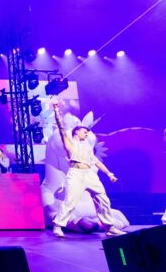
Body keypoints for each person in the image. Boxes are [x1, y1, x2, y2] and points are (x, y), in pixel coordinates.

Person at [50, 101, 124, 238]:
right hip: (76, 174)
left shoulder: (88, 148)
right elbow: (61, 127)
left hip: (90, 174)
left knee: (103, 200)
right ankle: (58, 226)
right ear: (77, 131)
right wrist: (56, 111)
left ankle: (110, 227)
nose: (87, 133)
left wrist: (109, 174)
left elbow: (96, 162)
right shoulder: (69, 143)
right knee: (70, 201)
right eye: (85, 131)